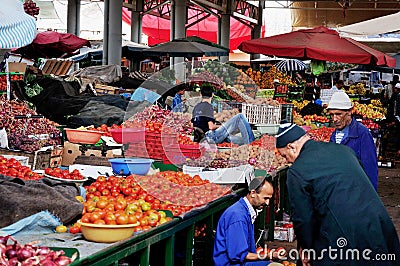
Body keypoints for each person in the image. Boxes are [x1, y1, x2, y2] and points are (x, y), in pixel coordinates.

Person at [275, 123, 400, 266]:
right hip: (378, 225)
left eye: (285, 156)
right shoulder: (343, 151)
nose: (287, 161)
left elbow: (303, 217)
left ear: (292, 147)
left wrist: (306, 248)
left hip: (345, 238)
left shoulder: (297, 171)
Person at [213, 176, 279, 266]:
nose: (267, 203)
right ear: (253, 193)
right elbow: (239, 255)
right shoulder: (237, 216)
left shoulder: (244, 211)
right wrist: (268, 255)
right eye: (265, 198)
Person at [326, 91, 378, 191]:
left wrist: (371, 198)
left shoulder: (362, 134)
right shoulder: (333, 136)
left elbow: (370, 168)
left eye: (338, 114)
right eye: (332, 115)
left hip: (356, 192)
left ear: (349, 112)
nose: (334, 119)